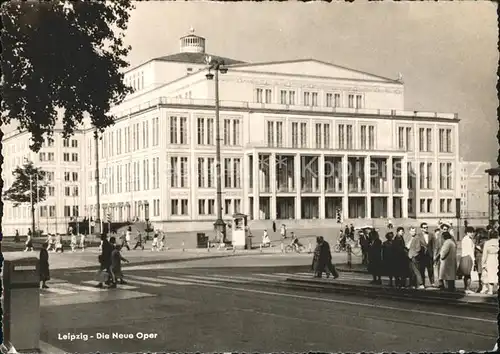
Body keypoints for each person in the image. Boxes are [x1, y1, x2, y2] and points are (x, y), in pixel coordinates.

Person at [458, 226, 476, 294]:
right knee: (468, 274)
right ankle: (467, 288)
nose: (472, 234)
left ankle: (466, 288)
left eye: (472, 232)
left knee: (466, 274)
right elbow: (470, 251)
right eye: (470, 232)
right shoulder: (468, 240)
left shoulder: (465, 239)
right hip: (468, 257)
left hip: (464, 257)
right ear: (467, 233)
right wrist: (473, 260)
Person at [481, 230, 499, 295]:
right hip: (497, 258)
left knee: (490, 274)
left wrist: (483, 264)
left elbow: (484, 255)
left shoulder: (487, 243)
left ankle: (490, 291)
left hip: (490, 258)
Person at [419, 222, 436, 287]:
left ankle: (432, 282)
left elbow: (434, 245)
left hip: (429, 255)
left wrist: (434, 254)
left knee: (431, 269)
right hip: (422, 255)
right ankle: (422, 283)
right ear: (421, 229)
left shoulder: (431, 235)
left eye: (426, 227)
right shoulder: (419, 236)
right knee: (422, 269)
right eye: (424, 227)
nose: (425, 228)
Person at [474, 229, 487, 293]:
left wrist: (477, 247)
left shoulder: (484, 241)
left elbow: (484, 251)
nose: (476, 235)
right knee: (479, 273)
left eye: (478, 234)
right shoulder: (479, 241)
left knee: (481, 273)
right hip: (478, 258)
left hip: (481, 258)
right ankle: (480, 286)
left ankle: (482, 286)